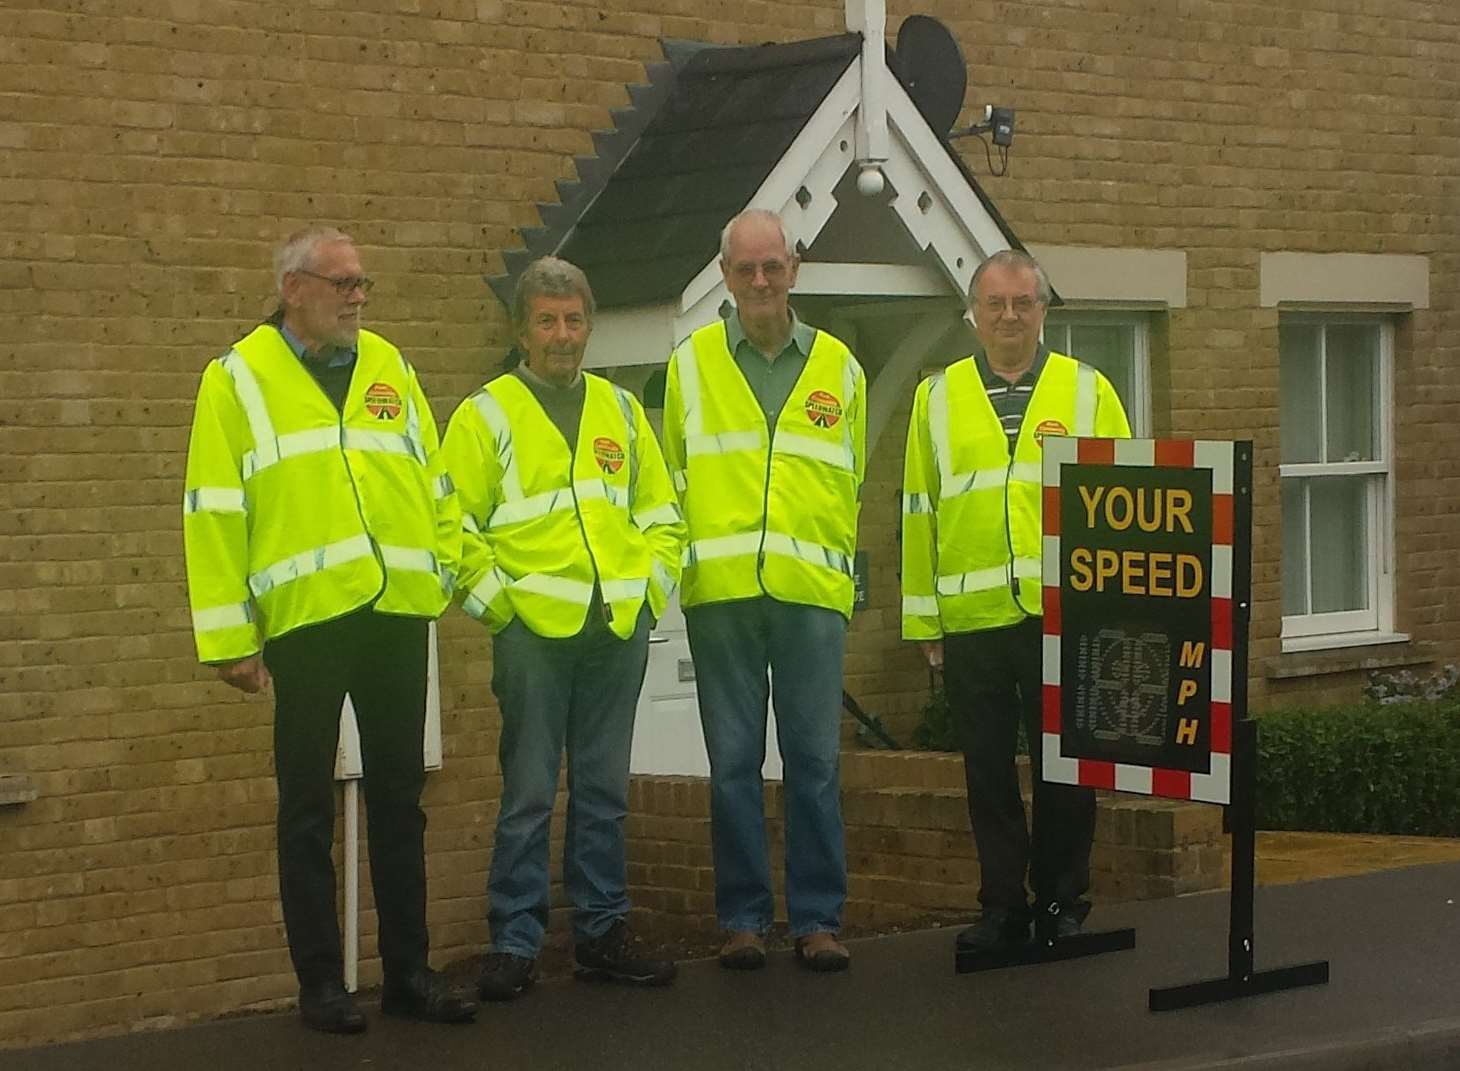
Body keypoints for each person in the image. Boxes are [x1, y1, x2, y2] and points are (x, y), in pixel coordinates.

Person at [181, 226, 478, 1033]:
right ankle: (322, 984)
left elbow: (436, 479)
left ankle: (410, 973)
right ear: (293, 289)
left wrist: (442, 568)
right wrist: (228, 638)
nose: (357, 297)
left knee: (399, 801)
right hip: (307, 621)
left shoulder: (390, 366)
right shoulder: (236, 379)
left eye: (362, 284)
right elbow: (212, 511)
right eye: (342, 283)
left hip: (395, 612)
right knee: (307, 806)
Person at [442, 256, 686, 1001]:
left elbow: (662, 515)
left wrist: (648, 592)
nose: (562, 334)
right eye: (546, 320)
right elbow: (451, 527)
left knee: (605, 790)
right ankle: (515, 941)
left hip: (613, 628)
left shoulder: (618, 410)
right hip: (532, 636)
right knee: (528, 791)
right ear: (522, 330)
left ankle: (601, 933)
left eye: (574, 319)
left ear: (590, 325)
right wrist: (500, 609)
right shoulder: (484, 413)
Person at [900, 248, 1132, 952]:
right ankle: (1003, 907)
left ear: (1043, 311)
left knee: (1069, 767)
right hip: (972, 623)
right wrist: (924, 624)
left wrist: (1113, 609)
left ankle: (1064, 901)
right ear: (973, 315)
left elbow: (1125, 505)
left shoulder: (1090, 391)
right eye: (994, 304)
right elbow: (918, 511)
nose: (1008, 316)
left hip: (1065, 615)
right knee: (987, 773)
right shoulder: (933, 398)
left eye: (1022, 303)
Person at [661, 209, 866, 972]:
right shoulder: (688, 364)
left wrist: (839, 576)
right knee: (733, 765)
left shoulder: (841, 367)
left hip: (810, 594)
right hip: (721, 595)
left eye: (771, 266)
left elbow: (851, 481)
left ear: (794, 269)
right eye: (744, 269)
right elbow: (672, 473)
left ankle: (817, 919)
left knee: (815, 762)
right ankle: (743, 920)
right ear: (724, 275)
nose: (759, 281)